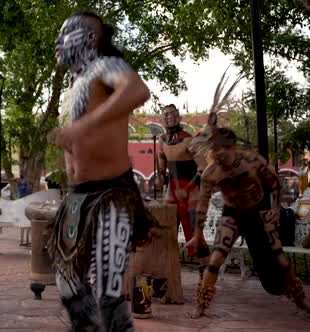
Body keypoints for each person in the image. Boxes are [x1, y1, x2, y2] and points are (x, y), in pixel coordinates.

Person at [48, 11, 156, 331]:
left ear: (91, 39)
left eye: (66, 33)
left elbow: (137, 90)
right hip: (77, 198)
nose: (58, 41)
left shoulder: (105, 66)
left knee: (108, 290)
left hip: (112, 193)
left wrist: (83, 128)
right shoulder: (74, 85)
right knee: (68, 285)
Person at [186, 115, 310, 318]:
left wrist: (276, 208)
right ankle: (200, 305)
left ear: (233, 147)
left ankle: (300, 299)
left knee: (281, 259)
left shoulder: (251, 160)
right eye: (213, 149)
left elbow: (274, 181)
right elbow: (202, 205)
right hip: (232, 214)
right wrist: (198, 234)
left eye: (221, 149)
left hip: (258, 209)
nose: (216, 154)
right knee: (216, 258)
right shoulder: (211, 173)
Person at [156, 104, 210, 278]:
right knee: (166, 230)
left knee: (195, 231)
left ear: (179, 117)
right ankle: (168, 273)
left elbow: (203, 167)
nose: (169, 117)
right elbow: (162, 170)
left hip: (192, 191)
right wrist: (160, 178)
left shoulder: (189, 139)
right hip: (172, 191)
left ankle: (206, 275)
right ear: (161, 119)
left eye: (172, 114)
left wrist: (188, 188)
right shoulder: (162, 141)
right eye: (165, 114)